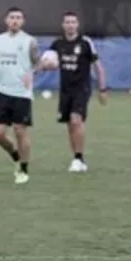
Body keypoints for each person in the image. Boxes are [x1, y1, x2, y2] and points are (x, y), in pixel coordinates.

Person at [47, 12, 109, 172]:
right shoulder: (57, 44)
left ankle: (79, 158)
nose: (70, 25)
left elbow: (98, 67)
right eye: (67, 22)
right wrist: (42, 66)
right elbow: (46, 62)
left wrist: (102, 88)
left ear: (77, 25)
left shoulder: (85, 43)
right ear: (63, 25)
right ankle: (77, 158)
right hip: (65, 90)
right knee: (70, 125)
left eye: (73, 22)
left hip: (82, 88)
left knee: (76, 120)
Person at [0, 7, 38, 185]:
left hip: (22, 93)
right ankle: (15, 155)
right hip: (3, 92)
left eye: (18, 18)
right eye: (12, 17)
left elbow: (37, 63)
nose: (15, 20)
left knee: (20, 130)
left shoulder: (30, 41)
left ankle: (23, 168)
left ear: (23, 21)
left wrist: (33, 72)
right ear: (6, 20)